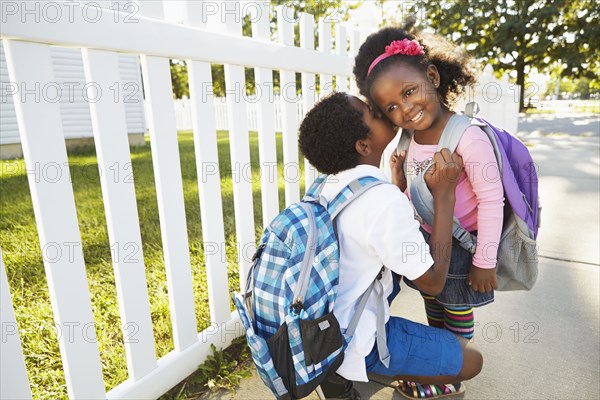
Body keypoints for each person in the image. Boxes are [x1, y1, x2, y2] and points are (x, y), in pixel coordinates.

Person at [298, 92, 483, 399]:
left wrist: (397, 188)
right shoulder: (382, 201)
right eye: (371, 112)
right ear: (363, 146)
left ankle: (334, 372)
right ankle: (355, 366)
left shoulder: (326, 186)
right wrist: (444, 195)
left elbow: (370, 235)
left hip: (320, 326)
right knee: (472, 360)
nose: (381, 109)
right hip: (354, 339)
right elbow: (433, 282)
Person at [353, 25, 504, 398]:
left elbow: (491, 200)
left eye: (409, 92)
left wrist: (485, 260)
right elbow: (418, 195)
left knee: (455, 310)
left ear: (432, 76)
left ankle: (452, 373)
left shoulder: (467, 136)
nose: (405, 109)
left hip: (461, 249)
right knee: (434, 305)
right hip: (428, 243)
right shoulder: (408, 138)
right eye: (392, 106)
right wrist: (400, 183)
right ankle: (440, 361)